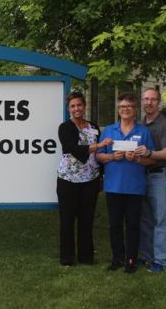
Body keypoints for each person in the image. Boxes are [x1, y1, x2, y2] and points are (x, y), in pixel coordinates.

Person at [96, 93, 155, 273]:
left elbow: (151, 160)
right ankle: (117, 259)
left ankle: (131, 260)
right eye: (122, 106)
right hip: (113, 186)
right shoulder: (109, 131)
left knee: (132, 225)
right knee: (114, 225)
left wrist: (137, 159)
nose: (125, 109)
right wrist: (113, 156)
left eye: (129, 106)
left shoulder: (143, 132)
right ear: (118, 109)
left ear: (135, 109)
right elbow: (98, 156)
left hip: (134, 187)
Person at [56, 91, 112, 266]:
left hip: (91, 179)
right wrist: (99, 145)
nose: (76, 109)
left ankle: (86, 257)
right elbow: (72, 148)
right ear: (68, 109)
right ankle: (67, 258)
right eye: (72, 106)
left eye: (79, 105)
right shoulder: (65, 127)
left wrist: (101, 175)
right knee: (67, 219)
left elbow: (100, 155)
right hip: (68, 180)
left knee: (87, 219)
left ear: (84, 106)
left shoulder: (94, 127)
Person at [135, 88, 166, 272]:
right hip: (141, 175)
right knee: (145, 218)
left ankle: (160, 260)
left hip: (158, 175)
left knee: (161, 219)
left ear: (158, 102)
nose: (149, 103)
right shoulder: (139, 124)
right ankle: (146, 255)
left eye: (152, 99)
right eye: (145, 99)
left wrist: (150, 153)